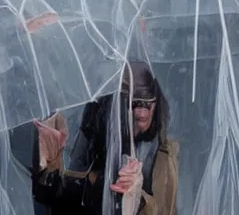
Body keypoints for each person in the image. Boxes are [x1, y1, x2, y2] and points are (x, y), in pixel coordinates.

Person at [33, 61, 179, 215]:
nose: (133, 118)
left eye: (143, 105)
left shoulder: (162, 153)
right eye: (123, 108)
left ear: (154, 106)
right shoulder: (91, 141)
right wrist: (51, 160)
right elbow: (59, 196)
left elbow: (165, 208)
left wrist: (137, 200)